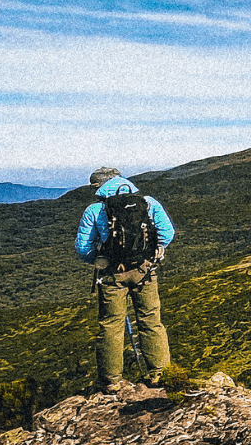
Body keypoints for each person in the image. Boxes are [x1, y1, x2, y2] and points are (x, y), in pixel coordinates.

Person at [74, 167, 176, 391]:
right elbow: (167, 232)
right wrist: (158, 248)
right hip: (145, 270)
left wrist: (97, 259)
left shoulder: (95, 209)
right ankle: (159, 374)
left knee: (111, 325)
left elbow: (82, 248)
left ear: (99, 187)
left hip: (112, 273)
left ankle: (111, 382)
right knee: (151, 321)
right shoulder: (148, 203)